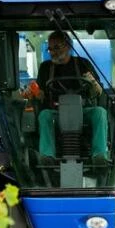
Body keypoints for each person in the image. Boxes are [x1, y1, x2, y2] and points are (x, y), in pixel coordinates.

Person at [21, 31, 108, 163]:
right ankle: (47, 156)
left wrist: (93, 83)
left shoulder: (83, 63)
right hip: (56, 110)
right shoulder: (45, 68)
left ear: (67, 46)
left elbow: (98, 91)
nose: (52, 52)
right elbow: (41, 93)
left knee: (100, 113)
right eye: (50, 49)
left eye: (56, 48)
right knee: (44, 115)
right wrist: (34, 92)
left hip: (83, 110)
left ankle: (99, 155)